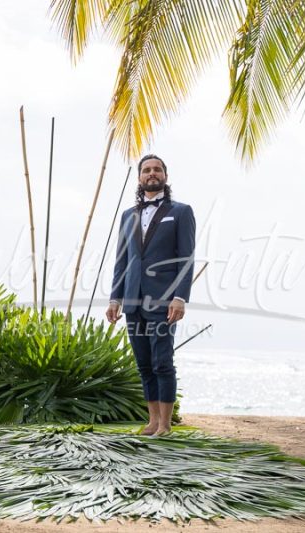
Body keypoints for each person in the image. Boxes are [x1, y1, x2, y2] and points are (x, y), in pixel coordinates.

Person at [106, 154, 196, 436]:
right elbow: (122, 259)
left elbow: (186, 258)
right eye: (146, 170)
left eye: (157, 169)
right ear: (139, 178)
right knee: (144, 362)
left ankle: (166, 425)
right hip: (132, 298)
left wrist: (180, 298)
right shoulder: (127, 216)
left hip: (164, 299)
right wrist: (115, 298)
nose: (152, 173)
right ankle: (153, 421)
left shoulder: (181, 212)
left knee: (162, 361)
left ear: (165, 176)